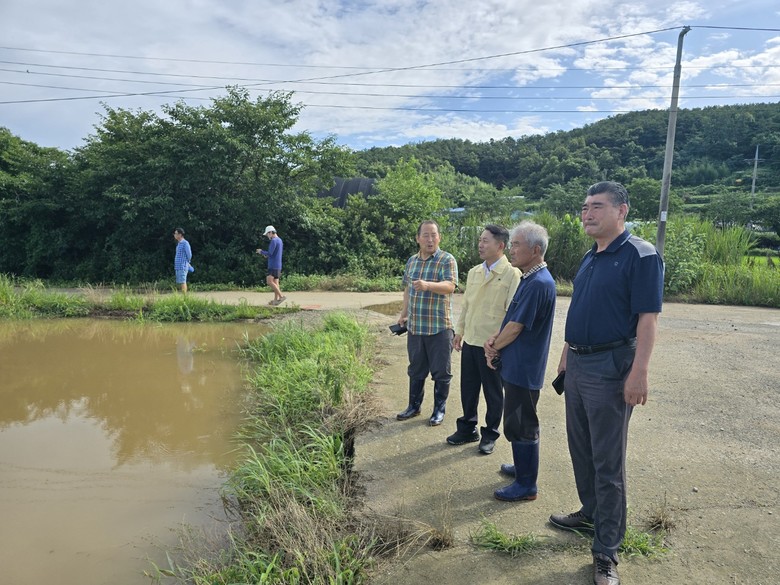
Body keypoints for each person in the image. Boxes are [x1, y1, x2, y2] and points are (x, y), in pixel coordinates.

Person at [550, 181, 663, 585]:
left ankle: (606, 551)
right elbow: (581, 308)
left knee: (608, 462)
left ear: (622, 211)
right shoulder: (590, 256)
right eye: (584, 207)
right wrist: (567, 353)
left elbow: (647, 319)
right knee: (580, 448)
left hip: (612, 367)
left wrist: (640, 372)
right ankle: (590, 513)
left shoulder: (640, 255)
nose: (587, 214)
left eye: (597, 206)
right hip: (579, 364)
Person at [484, 221, 556, 502]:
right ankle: (522, 467)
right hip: (517, 365)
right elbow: (511, 319)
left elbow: (516, 328)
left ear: (535, 250)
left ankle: (527, 484)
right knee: (516, 419)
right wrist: (496, 339)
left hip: (524, 368)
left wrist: (493, 347)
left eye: (516, 245)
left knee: (522, 422)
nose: (511, 250)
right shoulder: (529, 278)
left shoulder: (539, 283)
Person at [447, 225, 520, 455]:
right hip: (471, 340)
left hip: (493, 346)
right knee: (468, 389)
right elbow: (466, 306)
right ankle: (468, 427)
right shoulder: (474, 272)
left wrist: (498, 345)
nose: (480, 245)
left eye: (485, 241)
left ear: (501, 245)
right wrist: (459, 331)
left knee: (493, 392)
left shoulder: (512, 274)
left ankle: (490, 433)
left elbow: (512, 315)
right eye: (480, 240)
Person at [396, 220, 458, 426]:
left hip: (439, 327)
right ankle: (414, 406)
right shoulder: (412, 261)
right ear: (418, 238)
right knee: (416, 369)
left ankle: (439, 410)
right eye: (426, 235)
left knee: (441, 372)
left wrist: (428, 285)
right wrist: (404, 314)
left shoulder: (446, 259)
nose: (430, 239)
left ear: (440, 237)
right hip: (415, 327)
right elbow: (408, 289)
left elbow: (450, 286)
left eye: (434, 235)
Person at [257, 225, 285, 306]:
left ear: (271, 232)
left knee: (269, 281)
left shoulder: (274, 241)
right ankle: (275, 300)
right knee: (276, 282)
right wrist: (267, 255)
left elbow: (270, 253)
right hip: (278, 265)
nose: (267, 236)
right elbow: (274, 253)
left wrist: (261, 252)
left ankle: (281, 296)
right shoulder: (280, 240)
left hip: (273, 265)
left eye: (267, 234)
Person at [173, 227, 192, 293]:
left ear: (180, 234)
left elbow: (189, 254)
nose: (174, 235)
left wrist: (188, 263)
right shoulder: (178, 244)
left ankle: (184, 297)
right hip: (178, 266)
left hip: (183, 266)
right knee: (180, 282)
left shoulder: (185, 243)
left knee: (183, 282)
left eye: (176, 233)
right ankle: (181, 296)